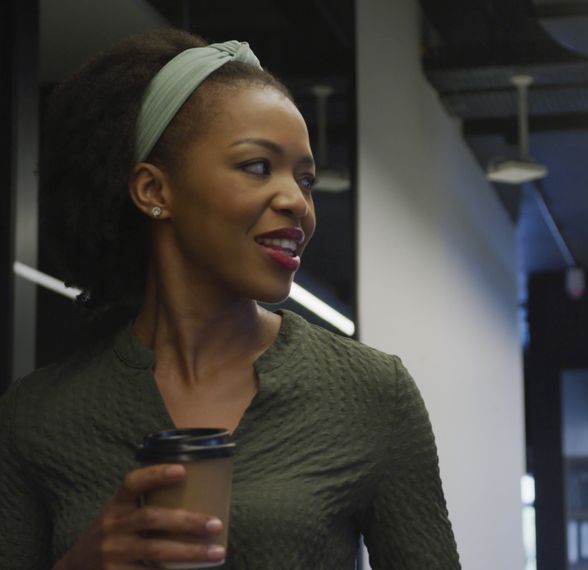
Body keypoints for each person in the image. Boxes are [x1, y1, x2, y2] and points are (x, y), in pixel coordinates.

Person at [0, 30, 460, 569]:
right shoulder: (35, 418)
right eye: (257, 167)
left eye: (306, 179)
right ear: (154, 191)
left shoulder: (373, 394)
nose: (297, 202)